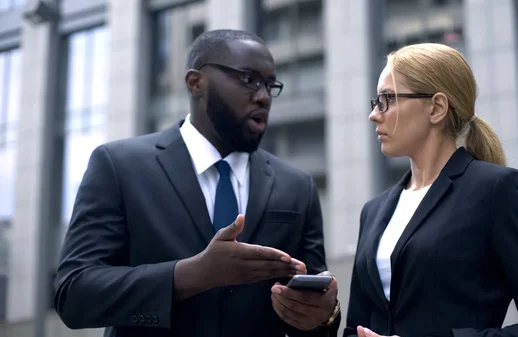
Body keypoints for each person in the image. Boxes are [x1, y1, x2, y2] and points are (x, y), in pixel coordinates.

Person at [54, 29, 341, 337]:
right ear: (196, 82)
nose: (262, 95)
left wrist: (324, 316)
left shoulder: (297, 186)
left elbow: (314, 310)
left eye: (270, 85)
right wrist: (190, 275)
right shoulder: (119, 166)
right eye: (248, 79)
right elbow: (74, 294)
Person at [344, 43, 518, 337]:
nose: (374, 115)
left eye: (387, 99)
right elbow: (356, 327)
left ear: (437, 107)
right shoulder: (374, 211)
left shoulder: (497, 191)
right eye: (375, 102)